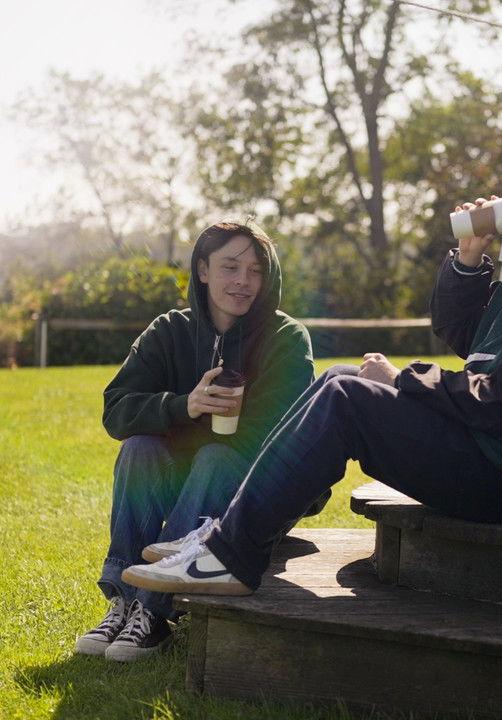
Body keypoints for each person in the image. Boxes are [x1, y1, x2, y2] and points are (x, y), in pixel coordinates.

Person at [119, 156, 502, 598]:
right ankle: (226, 535)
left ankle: (229, 556)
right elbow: (464, 333)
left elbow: (501, 400)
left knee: (348, 396)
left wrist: (400, 379)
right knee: (340, 377)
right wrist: (468, 259)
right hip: (494, 452)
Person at [74, 222, 315, 662]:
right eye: (230, 267)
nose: (243, 281)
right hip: (183, 488)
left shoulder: (286, 338)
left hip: (253, 501)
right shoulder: (169, 331)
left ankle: (154, 610)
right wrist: (184, 405)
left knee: (216, 457)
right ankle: (125, 600)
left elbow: (283, 440)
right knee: (139, 449)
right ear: (203, 270)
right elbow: (116, 410)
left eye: (256, 270)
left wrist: (212, 423)